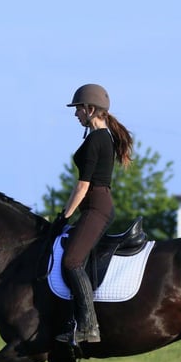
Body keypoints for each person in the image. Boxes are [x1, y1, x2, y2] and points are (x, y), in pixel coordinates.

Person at [53, 83, 134, 345]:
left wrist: (64, 216)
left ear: (90, 109)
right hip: (97, 205)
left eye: (78, 109)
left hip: (96, 206)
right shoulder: (102, 137)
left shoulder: (97, 139)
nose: (75, 114)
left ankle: (89, 326)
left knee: (71, 262)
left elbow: (82, 186)